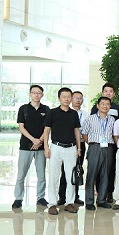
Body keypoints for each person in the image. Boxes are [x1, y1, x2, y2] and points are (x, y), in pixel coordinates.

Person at [43, 87, 82, 215]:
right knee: (54, 176)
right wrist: (46, 147)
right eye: (64, 96)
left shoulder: (74, 114)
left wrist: (79, 148)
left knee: (70, 177)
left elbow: (76, 131)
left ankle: (69, 203)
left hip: (71, 148)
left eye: (68, 96)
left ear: (71, 98)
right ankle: (52, 204)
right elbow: (47, 130)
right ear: (59, 98)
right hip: (56, 147)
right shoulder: (52, 112)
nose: (66, 99)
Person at [13, 85, 51, 209]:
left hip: (41, 147)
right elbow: (21, 127)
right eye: (34, 92)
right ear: (30, 94)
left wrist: (40, 140)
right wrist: (33, 140)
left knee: (41, 175)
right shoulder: (23, 109)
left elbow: (47, 128)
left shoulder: (46, 109)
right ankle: (18, 198)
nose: (36, 95)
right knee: (21, 174)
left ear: (42, 95)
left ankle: (40, 197)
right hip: (25, 146)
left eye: (39, 93)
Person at [81, 96, 116, 210]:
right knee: (92, 175)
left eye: (107, 104)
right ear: (98, 106)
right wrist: (92, 144)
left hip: (108, 148)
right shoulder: (90, 119)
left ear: (110, 106)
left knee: (105, 175)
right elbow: (84, 134)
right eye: (103, 104)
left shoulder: (112, 120)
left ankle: (101, 200)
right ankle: (89, 201)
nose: (105, 106)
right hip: (95, 148)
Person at [58, 90, 88, 206]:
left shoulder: (86, 114)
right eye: (75, 98)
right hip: (68, 144)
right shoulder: (66, 113)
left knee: (77, 170)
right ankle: (62, 196)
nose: (78, 100)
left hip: (80, 144)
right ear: (71, 99)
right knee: (64, 171)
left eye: (80, 98)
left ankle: (75, 196)